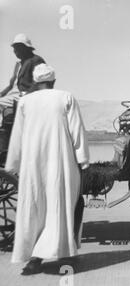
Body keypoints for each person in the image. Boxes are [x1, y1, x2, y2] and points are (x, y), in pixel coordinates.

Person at [5, 64, 90, 275]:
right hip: (61, 163)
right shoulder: (65, 97)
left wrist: (13, 165)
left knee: (35, 209)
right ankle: (65, 256)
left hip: (33, 166)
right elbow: (77, 131)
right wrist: (83, 161)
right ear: (53, 81)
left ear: (35, 81)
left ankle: (34, 259)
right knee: (61, 206)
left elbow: (17, 137)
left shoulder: (24, 102)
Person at [0, 34, 45, 114]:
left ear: (26, 48)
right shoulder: (18, 64)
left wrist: (26, 95)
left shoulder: (36, 60)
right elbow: (10, 86)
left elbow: (40, 82)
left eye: (18, 48)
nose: (15, 51)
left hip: (25, 95)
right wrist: (1, 94)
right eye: (14, 49)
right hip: (13, 96)